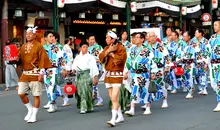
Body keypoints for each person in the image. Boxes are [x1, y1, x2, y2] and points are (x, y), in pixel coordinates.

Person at [17, 27, 52, 123]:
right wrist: (14, 59)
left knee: (36, 95)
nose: (28, 35)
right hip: (25, 74)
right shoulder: (23, 46)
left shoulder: (39, 46)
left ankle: (34, 115)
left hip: (35, 73)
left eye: (30, 34)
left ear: (34, 35)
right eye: (27, 34)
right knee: (21, 93)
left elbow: (43, 60)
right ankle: (30, 109)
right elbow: (19, 58)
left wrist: (41, 73)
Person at [99, 31, 127, 127]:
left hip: (117, 74)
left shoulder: (121, 48)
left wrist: (112, 54)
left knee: (114, 96)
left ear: (113, 39)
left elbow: (121, 60)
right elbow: (101, 58)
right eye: (106, 37)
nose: (106, 39)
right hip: (108, 75)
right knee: (112, 97)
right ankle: (120, 116)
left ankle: (113, 119)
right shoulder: (106, 48)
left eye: (108, 38)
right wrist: (107, 51)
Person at [43, 31, 71, 113]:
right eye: (50, 36)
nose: (52, 38)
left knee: (52, 87)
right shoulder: (42, 48)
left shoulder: (57, 48)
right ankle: (52, 102)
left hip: (54, 69)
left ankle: (52, 104)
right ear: (45, 38)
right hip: (45, 70)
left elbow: (63, 58)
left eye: (52, 36)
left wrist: (64, 68)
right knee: (47, 87)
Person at [72, 41, 99, 114]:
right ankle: (86, 106)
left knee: (86, 91)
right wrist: (73, 69)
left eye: (87, 47)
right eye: (84, 47)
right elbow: (74, 65)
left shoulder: (90, 57)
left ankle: (84, 107)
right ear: (80, 48)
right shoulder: (77, 57)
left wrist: (95, 76)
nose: (85, 49)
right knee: (79, 92)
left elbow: (94, 67)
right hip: (79, 75)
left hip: (87, 75)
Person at [86, 33, 104, 107]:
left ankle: (96, 98)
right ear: (87, 40)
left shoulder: (98, 47)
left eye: (93, 39)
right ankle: (98, 98)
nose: (93, 41)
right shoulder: (86, 48)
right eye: (91, 39)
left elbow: (103, 56)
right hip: (88, 68)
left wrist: (97, 60)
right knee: (91, 84)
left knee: (94, 83)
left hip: (97, 68)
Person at [209, 21, 220, 112]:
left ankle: (219, 102)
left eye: (216, 25)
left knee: (219, 82)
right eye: (214, 25)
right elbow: (207, 50)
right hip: (212, 64)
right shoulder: (212, 37)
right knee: (213, 83)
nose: (214, 27)